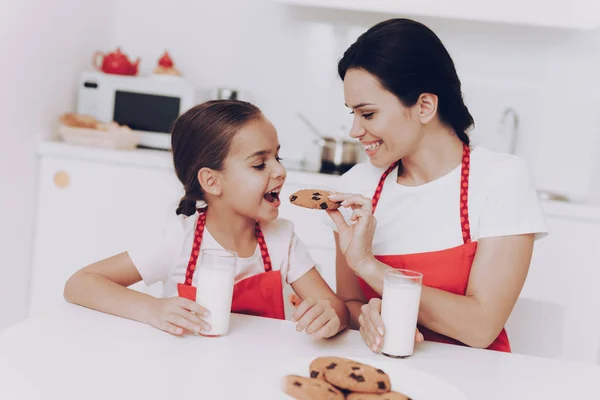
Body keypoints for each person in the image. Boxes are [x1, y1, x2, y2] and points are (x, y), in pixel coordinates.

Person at [326, 18, 547, 352]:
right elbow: (351, 303)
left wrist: (369, 266)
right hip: (380, 372)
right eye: (352, 114)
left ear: (425, 106)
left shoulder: (500, 180)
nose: (354, 131)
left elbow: (480, 328)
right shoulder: (357, 187)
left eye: (368, 114)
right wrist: (368, 318)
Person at [64, 100, 349, 338]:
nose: (279, 171)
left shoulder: (282, 240)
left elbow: (338, 310)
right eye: (260, 164)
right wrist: (152, 309)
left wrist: (329, 317)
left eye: (278, 157)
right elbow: (80, 283)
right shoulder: (179, 241)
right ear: (211, 181)